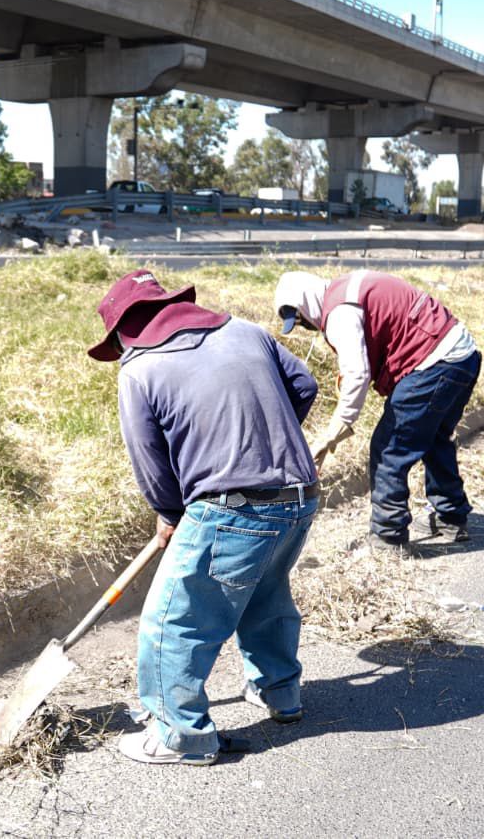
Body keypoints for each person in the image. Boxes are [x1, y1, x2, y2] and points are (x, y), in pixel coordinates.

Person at [88, 269, 320, 766]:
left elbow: (149, 463)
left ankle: (180, 736)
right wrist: (263, 443)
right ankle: (281, 694)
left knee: (174, 621)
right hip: (300, 497)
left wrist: (171, 513)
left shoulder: (141, 370)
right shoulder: (247, 331)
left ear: (125, 331)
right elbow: (304, 384)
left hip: (233, 509)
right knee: (264, 592)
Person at [272, 270, 482, 556]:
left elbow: (358, 374)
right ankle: (451, 518)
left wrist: (332, 434)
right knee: (433, 438)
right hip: (462, 355)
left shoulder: (339, 312)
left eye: (300, 320)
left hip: (435, 361)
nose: (307, 327)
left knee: (388, 449)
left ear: (305, 303)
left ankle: (388, 537)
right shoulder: (347, 290)